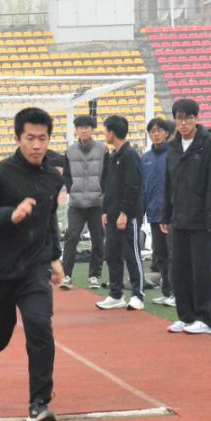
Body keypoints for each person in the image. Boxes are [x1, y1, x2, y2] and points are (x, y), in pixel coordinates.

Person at [0, 107, 65, 421]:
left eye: (42, 138)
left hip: (34, 269)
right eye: (30, 138)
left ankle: (39, 403)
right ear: (17, 138)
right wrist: (10, 215)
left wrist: (54, 258)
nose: (37, 145)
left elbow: (49, 219)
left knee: (40, 328)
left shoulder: (53, 177)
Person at [162, 99, 211, 335]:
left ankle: (208, 320)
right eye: (179, 118)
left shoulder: (208, 144)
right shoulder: (173, 146)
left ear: (196, 119)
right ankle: (186, 316)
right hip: (179, 217)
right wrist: (166, 214)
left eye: (188, 118)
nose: (184, 123)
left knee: (203, 270)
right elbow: (169, 183)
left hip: (202, 219)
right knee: (180, 269)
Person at [96, 116, 145, 311]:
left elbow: (133, 187)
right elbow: (108, 186)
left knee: (131, 254)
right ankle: (116, 294)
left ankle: (138, 295)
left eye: (105, 130)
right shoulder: (113, 155)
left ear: (112, 132)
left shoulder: (130, 155)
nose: (104, 134)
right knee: (112, 254)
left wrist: (125, 212)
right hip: (112, 214)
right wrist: (105, 211)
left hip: (128, 215)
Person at [60, 116, 107, 290]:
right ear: (76, 130)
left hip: (97, 203)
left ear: (92, 129)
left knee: (98, 239)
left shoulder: (102, 149)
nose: (84, 130)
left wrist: (102, 191)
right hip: (76, 204)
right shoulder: (70, 151)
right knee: (71, 237)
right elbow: (66, 175)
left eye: (87, 127)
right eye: (80, 127)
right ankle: (66, 275)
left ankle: (94, 276)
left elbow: (108, 174)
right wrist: (71, 188)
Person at [142, 118, 175, 307]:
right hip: (153, 214)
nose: (155, 134)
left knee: (173, 255)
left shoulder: (174, 154)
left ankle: (177, 293)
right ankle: (167, 291)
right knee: (160, 254)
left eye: (159, 130)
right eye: (152, 131)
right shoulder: (145, 158)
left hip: (170, 215)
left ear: (167, 133)